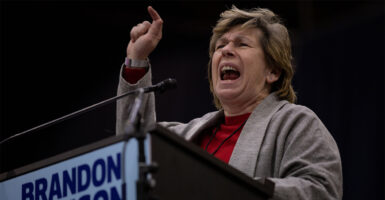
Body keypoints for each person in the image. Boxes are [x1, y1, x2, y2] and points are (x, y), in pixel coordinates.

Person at [116, 6, 343, 200]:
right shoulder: (184, 136)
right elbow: (132, 155)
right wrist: (136, 60)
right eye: (220, 46)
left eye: (242, 44)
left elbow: (320, 191)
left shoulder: (296, 123)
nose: (225, 50)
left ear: (272, 71)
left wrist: (236, 190)